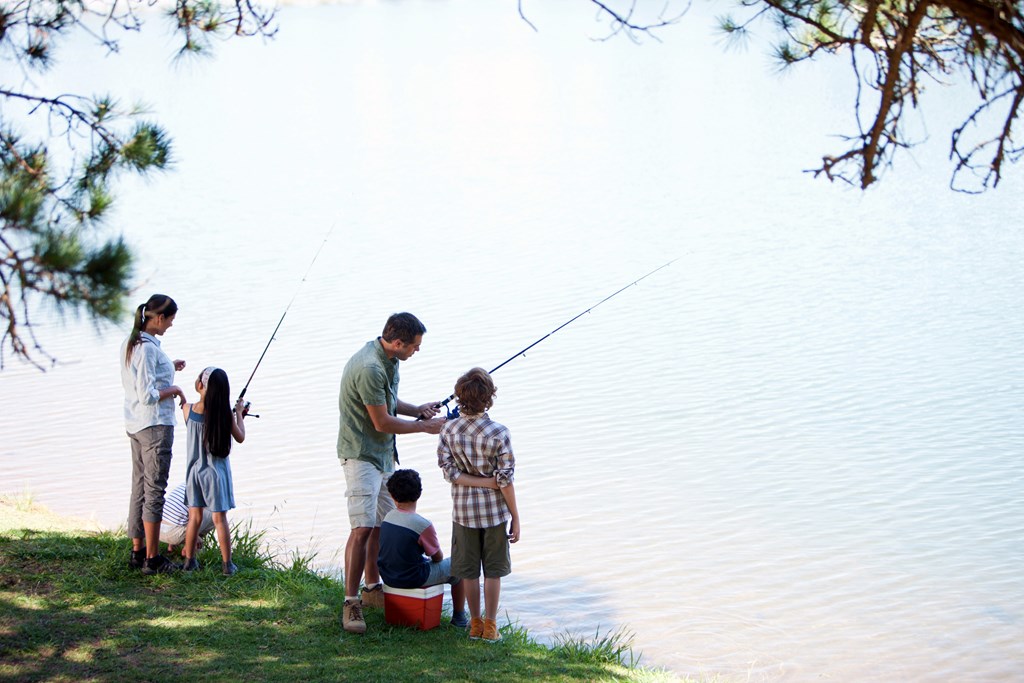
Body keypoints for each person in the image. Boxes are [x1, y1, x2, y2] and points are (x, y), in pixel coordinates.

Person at [337, 312, 446, 634]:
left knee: (381, 525)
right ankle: (350, 601)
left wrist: (417, 410)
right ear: (397, 342)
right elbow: (381, 422)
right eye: (414, 346)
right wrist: (424, 427)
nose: (416, 351)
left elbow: (386, 402)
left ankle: (373, 589)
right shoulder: (369, 366)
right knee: (361, 528)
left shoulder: (388, 359)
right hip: (360, 455)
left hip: (384, 455)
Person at [437, 367, 520, 643]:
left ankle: (474, 624)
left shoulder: (448, 429)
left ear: (460, 397)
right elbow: (504, 481)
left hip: (462, 513)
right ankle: (490, 626)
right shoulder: (499, 433)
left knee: (469, 572)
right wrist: (516, 517)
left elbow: (448, 471)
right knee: (493, 571)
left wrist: (473, 482)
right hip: (494, 514)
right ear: (489, 398)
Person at [121, 293, 187, 575]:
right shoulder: (147, 349)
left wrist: (169, 367)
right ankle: (152, 558)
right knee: (155, 490)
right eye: (170, 319)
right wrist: (175, 390)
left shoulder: (132, 343)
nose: (171, 325)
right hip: (154, 427)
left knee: (139, 486)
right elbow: (148, 395)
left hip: (135, 424)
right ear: (159, 318)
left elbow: (140, 379)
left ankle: (138, 552)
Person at [378, 469, 468, 628]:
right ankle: (459, 618)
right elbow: (438, 558)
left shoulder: (388, 517)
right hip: (411, 578)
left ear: (392, 495)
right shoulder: (422, 524)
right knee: (459, 566)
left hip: (388, 576)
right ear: (419, 494)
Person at [180, 367, 248, 575]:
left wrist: (181, 395)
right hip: (215, 476)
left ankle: (189, 562)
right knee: (220, 519)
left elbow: (189, 413)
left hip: (194, 474)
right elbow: (240, 437)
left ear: (201, 385)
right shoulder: (224, 416)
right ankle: (227, 565)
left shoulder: (188, 410)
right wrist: (238, 413)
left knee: (195, 518)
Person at [160, 482, 214, 556]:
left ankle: (172, 547)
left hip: (158, 531)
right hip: (174, 534)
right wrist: (194, 534)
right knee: (215, 514)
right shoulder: (205, 490)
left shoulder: (187, 483)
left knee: (183, 512)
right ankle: (191, 548)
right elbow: (196, 517)